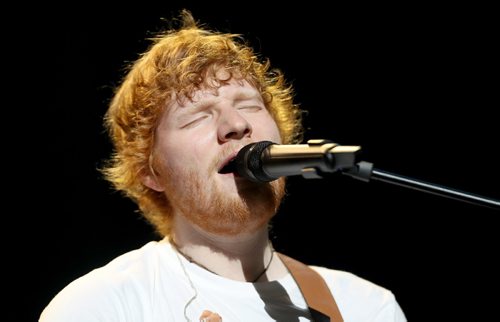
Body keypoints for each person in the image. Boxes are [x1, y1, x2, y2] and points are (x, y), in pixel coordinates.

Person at [40, 10, 407, 322]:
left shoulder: (363, 306)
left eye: (248, 104)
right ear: (149, 171)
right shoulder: (102, 307)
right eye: (196, 116)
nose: (236, 124)